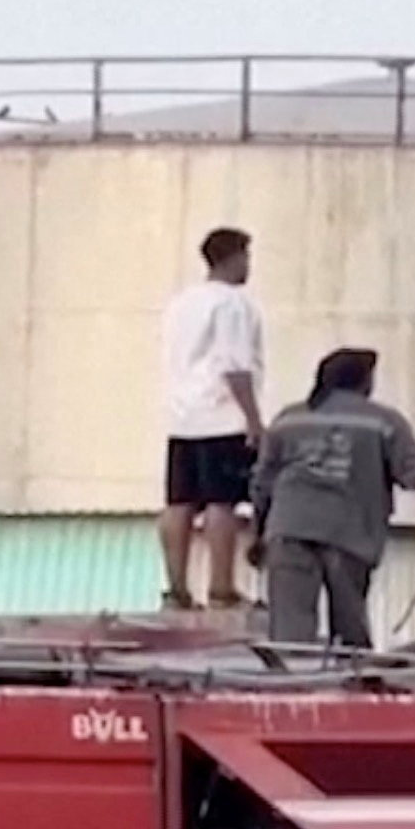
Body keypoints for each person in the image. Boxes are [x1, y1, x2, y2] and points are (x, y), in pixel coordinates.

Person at [249, 347, 415, 650]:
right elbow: (414, 474)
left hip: (288, 530)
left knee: (290, 634)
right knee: (350, 630)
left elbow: (261, 484)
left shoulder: (288, 419)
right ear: (364, 381)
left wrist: (258, 534)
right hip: (348, 533)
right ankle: (354, 687)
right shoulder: (383, 422)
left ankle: (296, 689)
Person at [159, 226, 268, 610]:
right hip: (221, 414)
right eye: (246, 257)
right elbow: (234, 365)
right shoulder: (233, 305)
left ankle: (176, 588)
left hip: (182, 415)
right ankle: (222, 587)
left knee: (179, 501)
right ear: (233, 257)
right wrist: (254, 420)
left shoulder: (181, 303)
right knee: (222, 502)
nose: (248, 266)